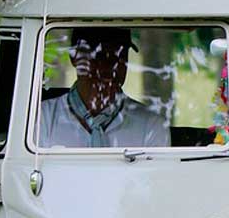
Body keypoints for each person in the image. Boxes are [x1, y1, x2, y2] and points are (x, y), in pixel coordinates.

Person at [39, 27, 170, 148]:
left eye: (120, 55)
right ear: (74, 56)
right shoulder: (42, 119)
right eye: (99, 55)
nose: (110, 66)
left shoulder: (152, 126)